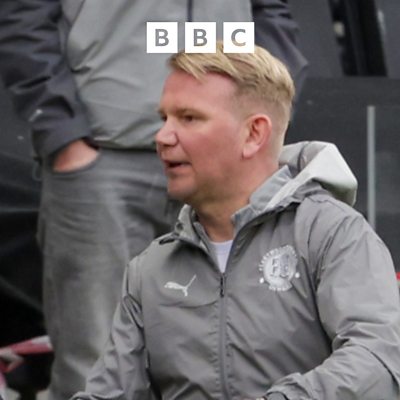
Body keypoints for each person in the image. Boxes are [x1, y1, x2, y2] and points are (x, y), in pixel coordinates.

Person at [0, 1, 308, 399]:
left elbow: (269, 12)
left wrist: (269, 107)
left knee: (243, 347)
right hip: (105, 160)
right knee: (97, 356)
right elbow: (26, 18)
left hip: (224, 158)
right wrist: (63, 135)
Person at [72, 42, 400, 400]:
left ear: (253, 134)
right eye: (164, 118)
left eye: (189, 118)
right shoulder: (150, 269)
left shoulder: (333, 233)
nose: (162, 137)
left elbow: (380, 362)